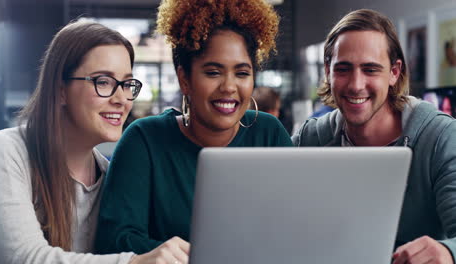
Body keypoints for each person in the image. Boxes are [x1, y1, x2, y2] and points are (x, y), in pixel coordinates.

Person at [94, 0, 293, 260]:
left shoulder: (269, 134)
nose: (229, 87)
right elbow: (115, 240)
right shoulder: (144, 140)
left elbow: (294, 223)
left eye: (242, 73)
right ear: (184, 79)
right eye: (213, 72)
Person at [0, 20, 189, 264]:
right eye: (103, 81)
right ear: (61, 89)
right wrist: (134, 262)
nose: (122, 99)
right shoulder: (3, 151)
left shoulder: (110, 178)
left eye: (127, 84)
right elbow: (24, 258)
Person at [291, 9, 456, 264]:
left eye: (370, 69)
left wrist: (448, 251)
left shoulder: (440, 137)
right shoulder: (309, 138)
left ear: (394, 72)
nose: (356, 84)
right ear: (327, 71)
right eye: (343, 69)